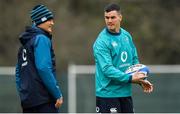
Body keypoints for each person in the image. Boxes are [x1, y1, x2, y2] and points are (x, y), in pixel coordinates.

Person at [93, 3, 153, 113]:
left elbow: (134, 60)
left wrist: (141, 79)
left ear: (120, 17)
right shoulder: (101, 42)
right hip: (108, 95)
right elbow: (107, 70)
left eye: (113, 17)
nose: (109, 21)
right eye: (107, 18)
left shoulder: (126, 36)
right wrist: (130, 78)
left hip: (125, 94)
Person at [15, 4, 63, 113]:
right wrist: (57, 94)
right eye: (49, 20)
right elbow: (43, 68)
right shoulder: (41, 39)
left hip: (28, 102)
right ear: (40, 21)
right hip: (44, 101)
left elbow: (18, 73)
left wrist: (24, 93)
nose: (52, 23)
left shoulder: (24, 44)